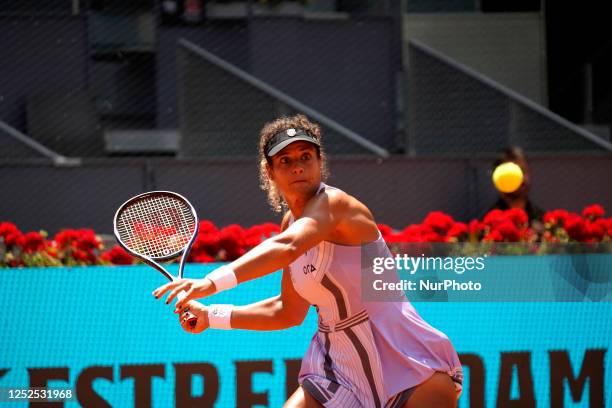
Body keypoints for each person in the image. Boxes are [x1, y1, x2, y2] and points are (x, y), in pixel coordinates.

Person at [153, 114, 463, 408]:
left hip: (406, 361)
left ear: (319, 162)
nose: (298, 167)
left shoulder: (336, 205)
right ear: (269, 171)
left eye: (306, 156)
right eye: (285, 161)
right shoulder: (289, 223)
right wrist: (212, 316)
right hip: (337, 371)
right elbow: (286, 311)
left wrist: (210, 282)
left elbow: (288, 247)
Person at [488, 146, 545, 224]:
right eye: (513, 174)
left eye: (524, 171)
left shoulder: (540, 219)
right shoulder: (491, 223)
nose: (522, 178)